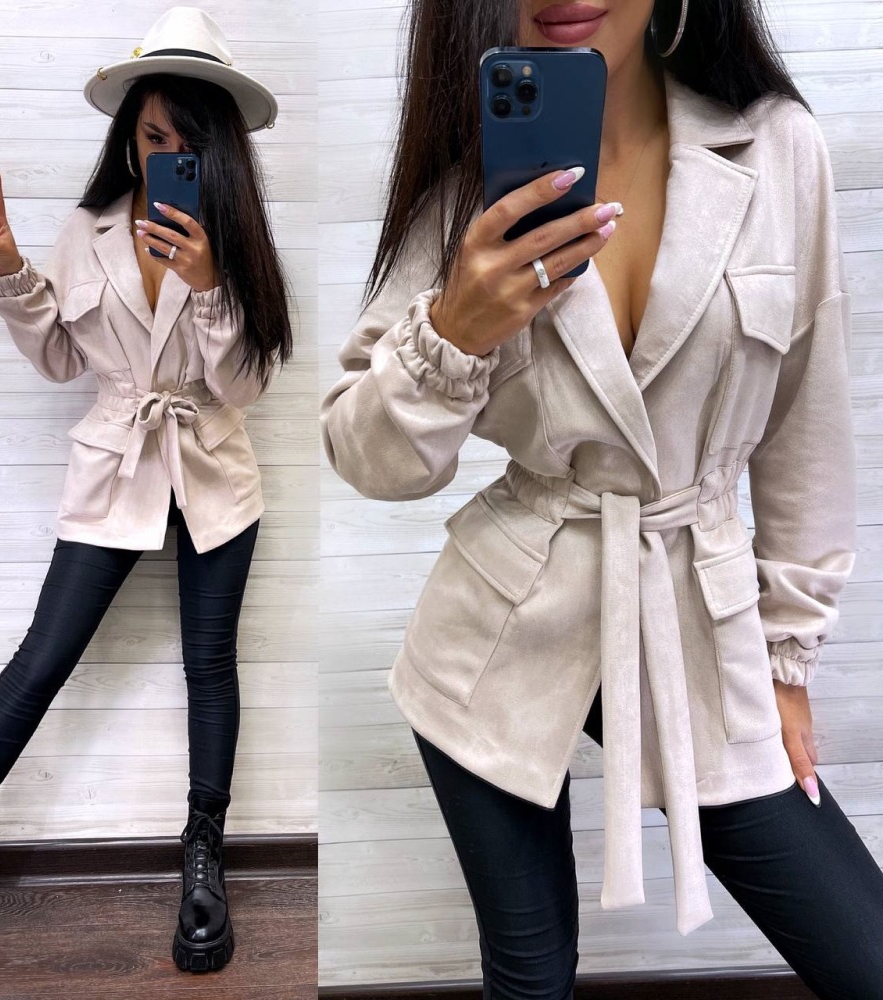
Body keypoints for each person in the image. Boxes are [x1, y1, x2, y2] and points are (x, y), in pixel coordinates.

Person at [321, 0, 883, 997]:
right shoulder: (468, 192)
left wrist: (787, 657)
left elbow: (808, 420)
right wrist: (454, 329)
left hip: (696, 619)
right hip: (495, 641)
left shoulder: (775, 149)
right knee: (529, 981)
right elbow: (372, 460)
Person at [0, 7, 291, 976]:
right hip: (116, 461)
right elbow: (63, 358)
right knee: (41, 659)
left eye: (186, 141)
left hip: (213, 467)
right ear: (128, 137)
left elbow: (243, 387)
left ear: (217, 147)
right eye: (152, 136)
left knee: (210, 665)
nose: (166, 155)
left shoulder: (234, 237)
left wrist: (211, 286)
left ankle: (203, 862)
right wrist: (12, 275)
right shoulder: (89, 229)